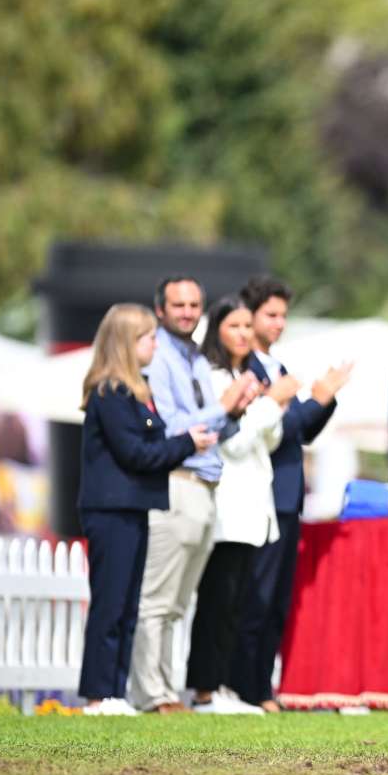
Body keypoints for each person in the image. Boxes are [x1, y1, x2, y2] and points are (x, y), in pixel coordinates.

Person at [77, 304, 217, 716]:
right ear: (126, 343)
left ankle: (115, 692)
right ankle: (99, 694)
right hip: (112, 508)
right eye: (148, 338)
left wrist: (177, 444)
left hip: (133, 505)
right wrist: (187, 444)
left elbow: (147, 449)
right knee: (111, 603)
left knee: (128, 604)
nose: (155, 345)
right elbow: (137, 453)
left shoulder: (136, 392)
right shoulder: (111, 392)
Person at [129, 276, 260, 714]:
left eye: (193, 304)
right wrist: (223, 408)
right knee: (159, 598)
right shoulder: (160, 358)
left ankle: (166, 690)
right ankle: (151, 693)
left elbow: (214, 428)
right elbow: (171, 426)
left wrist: (234, 411)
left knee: (179, 602)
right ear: (160, 309)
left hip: (206, 483)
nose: (187, 311)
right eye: (178, 304)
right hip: (176, 479)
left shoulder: (195, 360)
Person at [229, 276, 351, 712]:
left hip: (287, 494)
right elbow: (276, 431)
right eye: (271, 315)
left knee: (277, 598)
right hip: (263, 495)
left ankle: (262, 686)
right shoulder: (247, 369)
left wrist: (325, 399)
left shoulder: (276, 367)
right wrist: (309, 401)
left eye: (283, 315)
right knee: (256, 597)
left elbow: (301, 433)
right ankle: (246, 686)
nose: (279, 323)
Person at [186, 296, 299, 714]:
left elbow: (266, 440)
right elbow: (231, 442)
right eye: (234, 326)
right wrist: (271, 404)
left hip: (254, 502)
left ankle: (224, 686)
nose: (243, 335)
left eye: (247, 328)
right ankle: (203, 689)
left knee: (238, 601)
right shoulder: (214, 378)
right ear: (216, 330)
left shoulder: (244, 374)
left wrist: (272, 407)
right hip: (227, 502)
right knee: (218, 598)